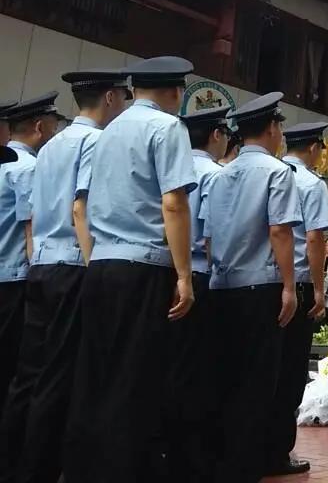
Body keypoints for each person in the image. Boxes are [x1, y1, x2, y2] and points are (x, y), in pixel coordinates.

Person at [64, 57, 197, 483]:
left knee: (96, 376)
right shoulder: (168, 128)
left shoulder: (104, 134)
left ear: (134, 90)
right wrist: (184, 276)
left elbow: (79, 208)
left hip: (101, 266)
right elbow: (174, 203)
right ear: (175, 92)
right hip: (143, 268)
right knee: (136, 380)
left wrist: (94, 259)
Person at [0, 71, 128, 483]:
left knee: (29, 371)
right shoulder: (97, 142)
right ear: (109, 97)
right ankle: (42, 466)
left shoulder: (52, 145)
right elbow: (81, 210)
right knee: (61, 373)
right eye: (123, 97)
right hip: (74, 264)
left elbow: (34, 215)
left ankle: (15, 459)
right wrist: (95, 269)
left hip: (41, 264)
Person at [203, 92, 300, 483]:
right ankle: (246, 466)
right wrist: (290, 287)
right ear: (274, 128)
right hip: (261, 287)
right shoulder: (278, 173)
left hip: (221, 285)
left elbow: (207, 237)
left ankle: (223, 463)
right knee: (258, 383)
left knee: (225, 375)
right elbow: (279, 230)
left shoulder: (220, 173)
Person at [166, 105, 231, 482]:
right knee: (199, 369)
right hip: (201, 277)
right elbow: (214, 235)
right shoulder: (214, 174)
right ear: (217, 135)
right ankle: (192, 459)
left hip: (163, 271)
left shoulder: (172, 167)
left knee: (167, 362)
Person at [267, 122, 328, 476]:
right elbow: (314, 239)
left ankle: (252, 443)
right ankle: (277, 451)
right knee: (292, 371)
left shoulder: (270, 174)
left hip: (262, 283)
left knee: (263, 367)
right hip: (298, 284)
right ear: (314, 149)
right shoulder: (312, 183)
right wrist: (320, 290)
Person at [0, 92, 62, 418]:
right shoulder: (29, 168)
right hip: (12, 280)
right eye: (52, 129)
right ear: (39, 127)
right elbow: (31, 230)